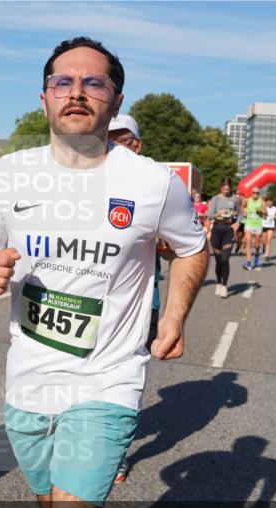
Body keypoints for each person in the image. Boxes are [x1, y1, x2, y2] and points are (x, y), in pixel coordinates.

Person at [0, 36, 207, 508]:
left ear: (115, 99)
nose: (76, 92)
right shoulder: (11, 173)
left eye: (93, 83)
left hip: (109, 376)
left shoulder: (151, 184)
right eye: (62, 81)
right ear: (43, 96)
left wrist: (173, 316)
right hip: (28, 378)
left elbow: (193, 246)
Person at [108, 113, 167, 352]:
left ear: (137, 145)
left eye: (122, 140)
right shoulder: (86, 183)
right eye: (107, 140)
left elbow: (187, 249)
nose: (114, 148)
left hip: (138, 306)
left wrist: (175, 315)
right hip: (91, 301)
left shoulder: (157, 185)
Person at [241, 187, 264, 270]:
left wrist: (260, 211)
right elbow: (242, 207)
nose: (255, 194)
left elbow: (266, 213)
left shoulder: (261, 201)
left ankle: (257, 257)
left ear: (259, 194)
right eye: (253, 192)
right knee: (249, 243)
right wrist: (244, 211)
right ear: (251, 193)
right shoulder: (247, 200)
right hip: (249, 224)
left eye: (257, 193)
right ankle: (248, 262)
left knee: (257, 245)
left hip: (258, 225)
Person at [262, 196, 276, 261]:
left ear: (273, 202)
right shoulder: (264, 208)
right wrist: (263, 215)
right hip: (263, 225)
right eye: (268, 201)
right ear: (266, 202)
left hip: (271, 226)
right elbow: (261, 216)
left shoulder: (275, 208)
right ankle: (264, 248)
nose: (269, 202)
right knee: (264, 241)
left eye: (271, 201)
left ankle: (267, 254)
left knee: (269, 240)